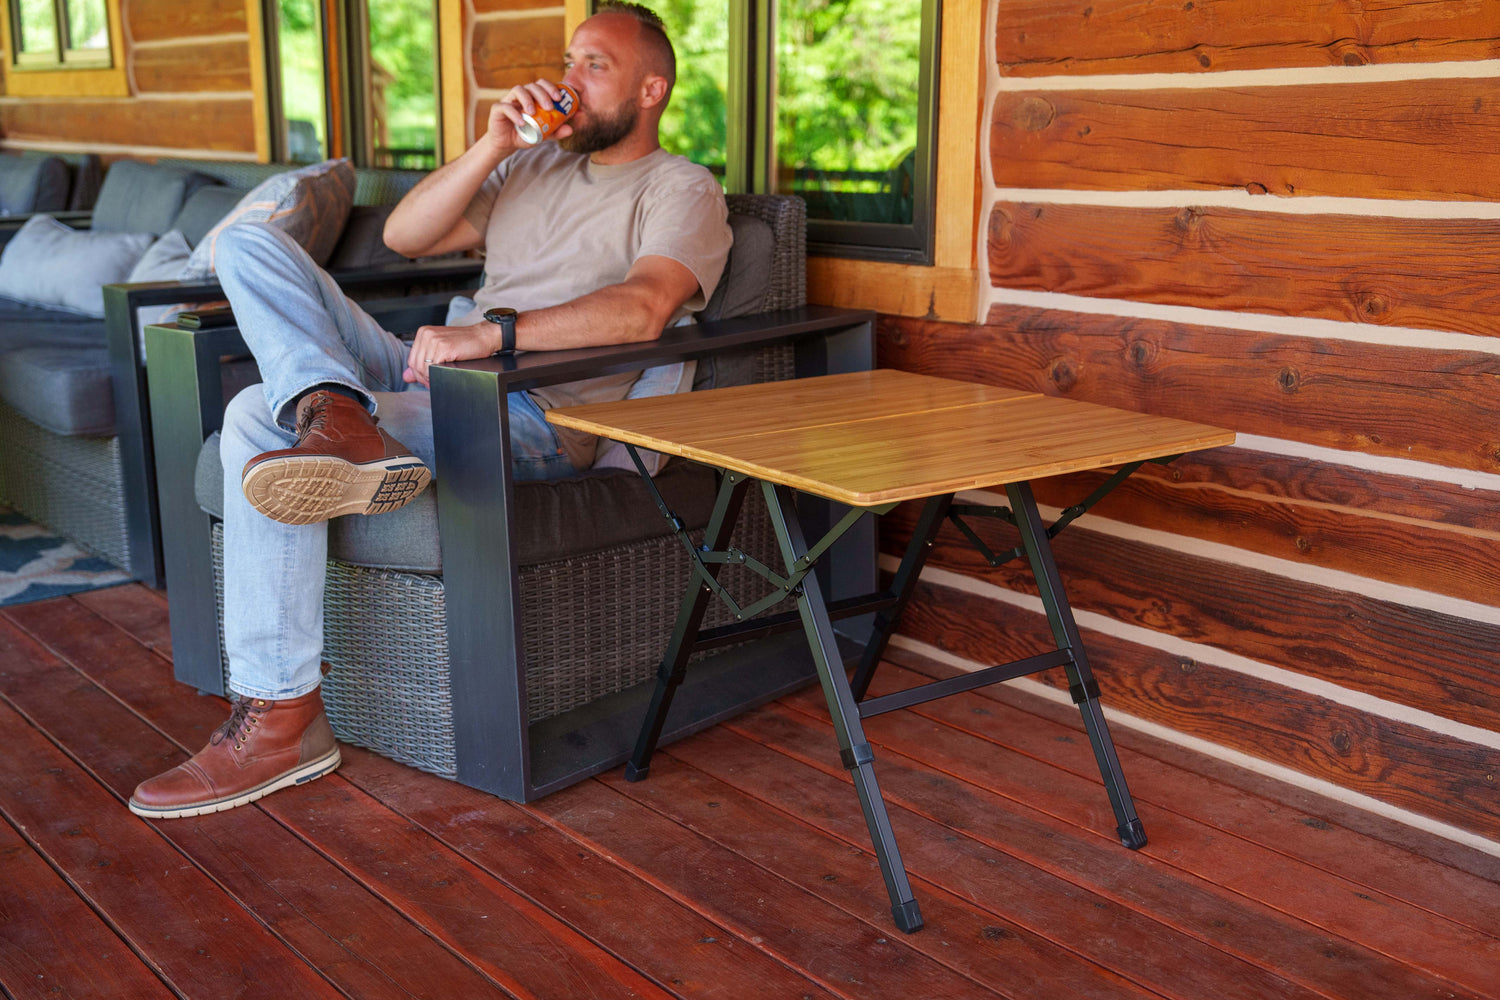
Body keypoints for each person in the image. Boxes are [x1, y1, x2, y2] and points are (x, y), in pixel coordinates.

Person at [129, 2, 732, 819]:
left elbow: (644, 309)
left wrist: (492, 334)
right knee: (247, 244)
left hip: (522, 409)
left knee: (247, 419)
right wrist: (495, 143)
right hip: (429, 370)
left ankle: (280, 719)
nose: (569, 80)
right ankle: (335, 409)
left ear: (652, 89)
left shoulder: (681, 187)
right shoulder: (530, 168)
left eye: (596, 66)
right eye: (569, 60)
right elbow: (409, 236)